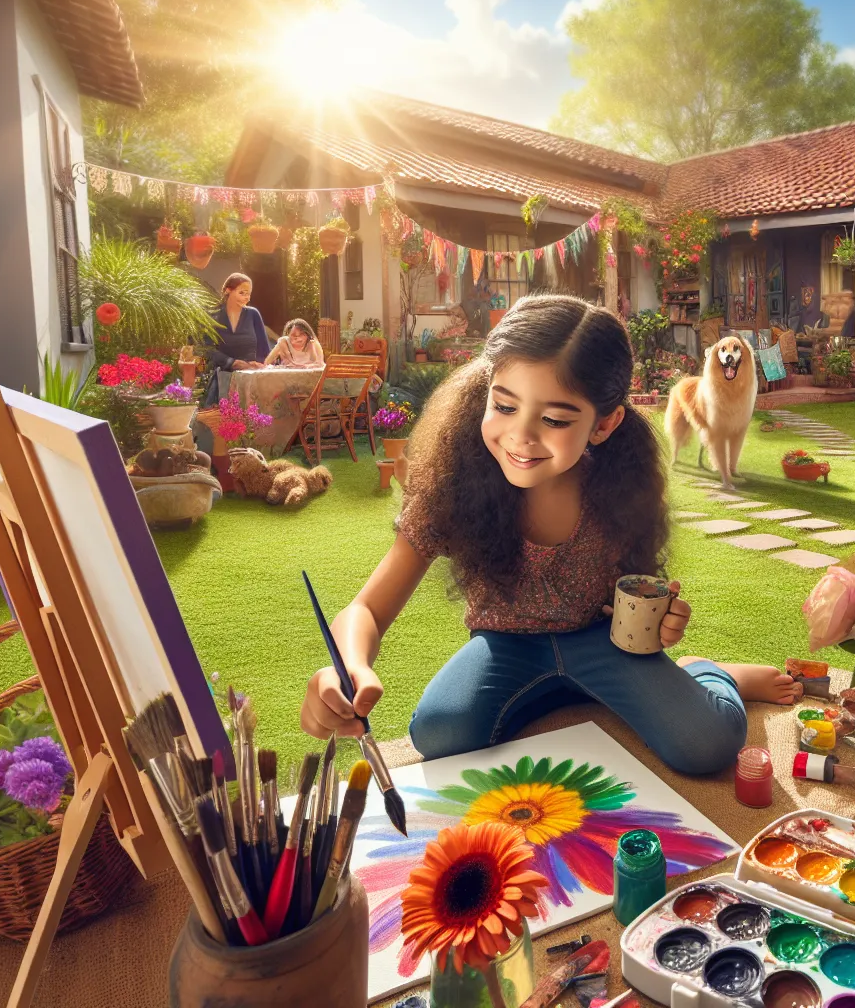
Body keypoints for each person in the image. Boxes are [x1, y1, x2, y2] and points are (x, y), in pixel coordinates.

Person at [298, 294, 799, 774]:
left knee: (707, 742)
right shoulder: (455, 484)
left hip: (604, 643)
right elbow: (365, 609)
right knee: (441, 734)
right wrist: (348, 668)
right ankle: (566, 691)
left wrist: (662, 622)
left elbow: (638, 591)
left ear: (603, 426)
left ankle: (710, 671)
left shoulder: (620, 485)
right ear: (485, 393)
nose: (521, 436)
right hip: (505, 648)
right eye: (504, 405)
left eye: (555, 419)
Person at [202, 273, 269, 404]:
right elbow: (207, 349)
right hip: (222, 377)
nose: (247, 298)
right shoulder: (213, 315)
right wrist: (232, 362)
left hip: (251, 379)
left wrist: (259, 363)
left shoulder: (253, 314)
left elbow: (264, 349)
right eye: (242, 293)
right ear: (228, 291)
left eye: (249, 294)